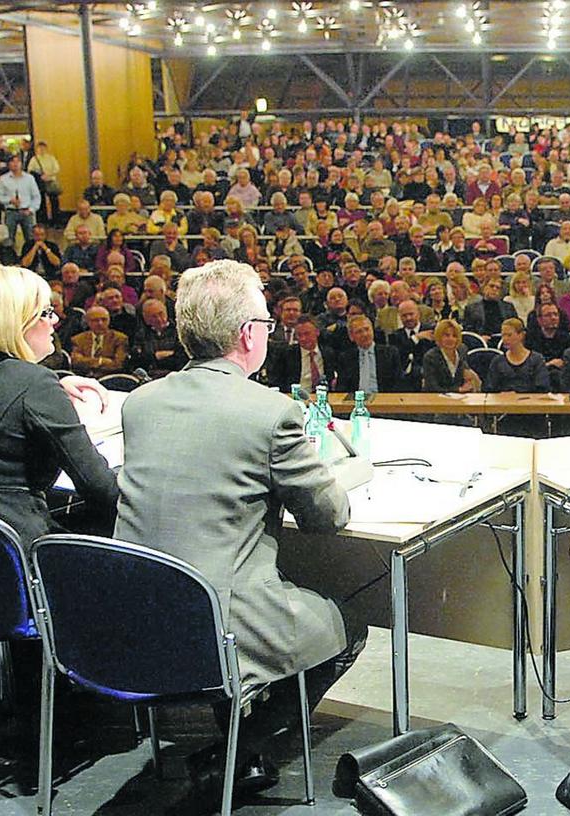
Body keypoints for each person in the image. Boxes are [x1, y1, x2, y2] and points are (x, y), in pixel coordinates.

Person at [114, 259, 364, 795]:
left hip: (136, 612)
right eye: (268, 325)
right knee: (349, 626)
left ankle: (236, 746)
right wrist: (348, 471)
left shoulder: (140, 403)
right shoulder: (270, 413)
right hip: (219, 618)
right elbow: (328, 517)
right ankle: (240, 749)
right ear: (249, 335)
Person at [0, 264, 118, 545]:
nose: (55, 320)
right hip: (19, 545)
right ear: (17, 322)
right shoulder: (34, 384)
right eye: (45, 312)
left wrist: (54, 385)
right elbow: (101, 489)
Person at [338, 314, 402, 394]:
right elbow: (342, 388)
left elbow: (398, 384)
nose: (365, 334)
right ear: (351, 336)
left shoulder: (390, 353)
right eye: (359, 331)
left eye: (367, 329)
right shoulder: (346, 358)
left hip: (383, 400)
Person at [485, 318, 551, 393]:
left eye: (509, 335)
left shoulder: (536, 360)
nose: (505, 339)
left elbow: (542, 387)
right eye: (503, 335)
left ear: (521, 335)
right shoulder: (498, 361)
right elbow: (490, 388)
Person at [0, 155, 41, 251]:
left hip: (26, 211)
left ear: (21, 164)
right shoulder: (3, 179)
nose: (15, 164)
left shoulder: (29, 178)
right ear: (9, 164)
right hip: (10, 212)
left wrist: (31, 210)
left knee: (30, 239)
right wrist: (9, 200)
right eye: (12, 162)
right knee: (8, 240)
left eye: (18, 161)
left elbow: (36, 197)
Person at [421, 318, 481, 393]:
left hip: (460, 399)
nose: (451, 339)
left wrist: (468, 383)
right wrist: (457, 390)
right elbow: (432, 387)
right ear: (439, 336)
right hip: (436, 399)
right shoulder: (430, 357)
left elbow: (466, 375)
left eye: (454, 336)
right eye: (446, 335)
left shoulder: (462, 350)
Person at [69, 305, 129, 376]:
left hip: (109, 378)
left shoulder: (120, 338)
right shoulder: (78, 339)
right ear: (87, 322)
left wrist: (87, 361)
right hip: (84, 377)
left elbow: (118, 364)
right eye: (95, 320)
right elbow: (76, 362)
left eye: (104, 319)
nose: (100, 323)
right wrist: (101, 361)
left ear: (109, 320)